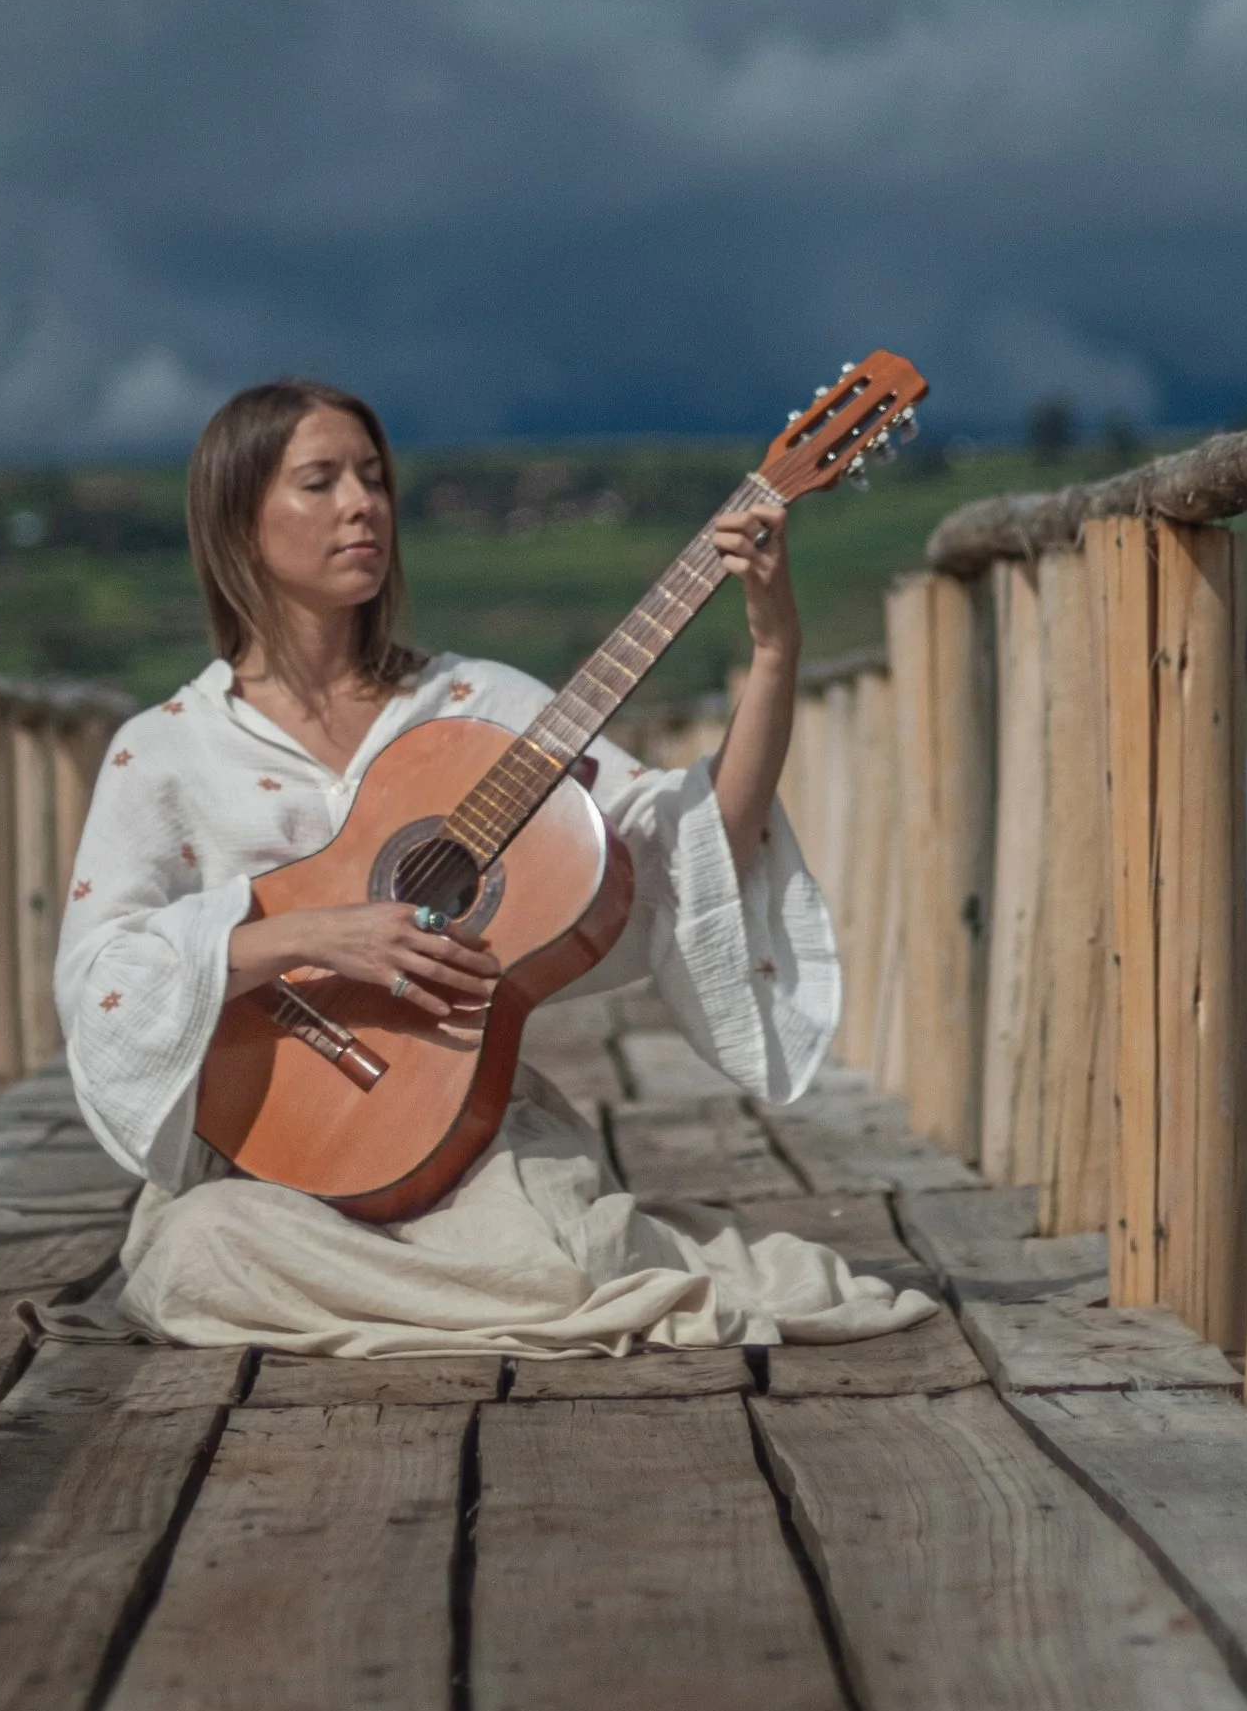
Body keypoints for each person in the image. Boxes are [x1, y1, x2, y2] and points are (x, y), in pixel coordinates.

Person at [52, 376, 936, 1355]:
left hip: (471, 1137)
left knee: (554, 1253)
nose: (363, 504)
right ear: (236, 523)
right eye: (319, 482)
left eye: (374, 477)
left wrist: (773, 648)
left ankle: (450, 1293)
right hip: (271, 1155)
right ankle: (484, 1300)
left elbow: (687, 846)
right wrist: (308, 936)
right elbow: (104, 986)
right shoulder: (166, 750)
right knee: (197, 1249)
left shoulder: (473, 706)